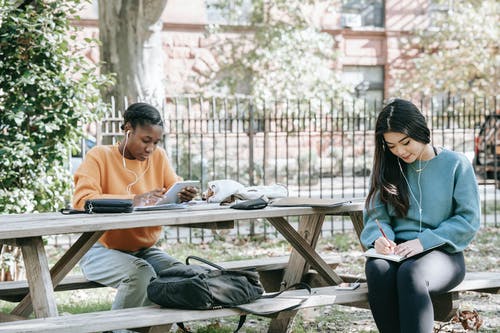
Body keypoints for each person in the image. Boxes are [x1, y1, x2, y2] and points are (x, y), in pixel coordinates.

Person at [360, 98, 480, 333]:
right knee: (377, 269)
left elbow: (468, 220)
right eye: (391, 146)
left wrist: (423, 241)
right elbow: (376, 215)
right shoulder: (388, 166)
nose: (400, 151)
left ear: (420, 129)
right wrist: (379, 238)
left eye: (405, 142)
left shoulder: (456, 164)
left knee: (411, 273)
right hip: (398, 252)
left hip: (443, 254)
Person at [73, 102, 197, 312]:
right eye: (146, 140)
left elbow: (171, 189)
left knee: (181, 275)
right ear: (128, 130)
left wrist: (183, 195)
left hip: (143, 250)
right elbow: (83, 201)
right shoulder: (99, 155)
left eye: (156, 142)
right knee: (140, 274)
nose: (150, 148)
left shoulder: (158, 157)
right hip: (99, 249)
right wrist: (133, 200)